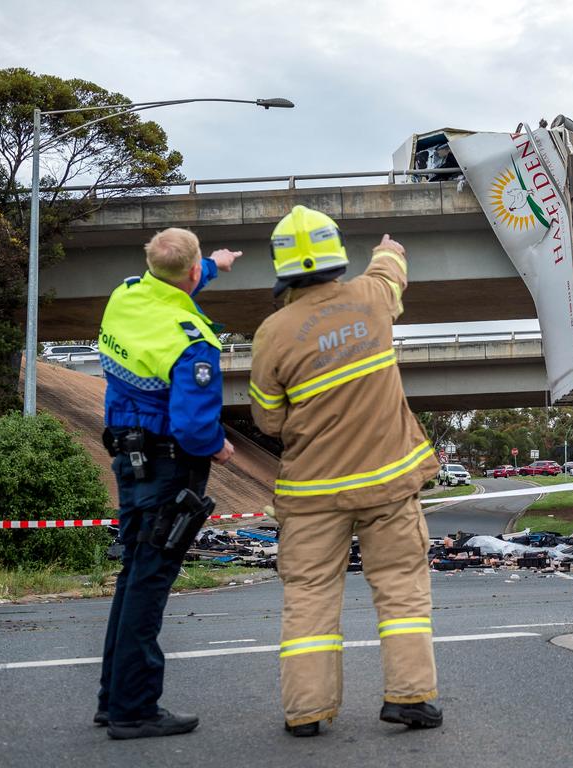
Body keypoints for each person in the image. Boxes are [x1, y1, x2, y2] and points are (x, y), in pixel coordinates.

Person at [249, 205, 441, 738]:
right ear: (336, 255)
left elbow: (267, 417)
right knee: (402, 590)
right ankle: (411, 699)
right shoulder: (371, 298)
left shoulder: (273, 332)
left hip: (312, 494)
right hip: (388, 482)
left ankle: (306, 711)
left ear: (282, 267)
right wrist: (388, 248)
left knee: (309, 596)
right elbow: (388, 271)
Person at [95, 227, 239, 739]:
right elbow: (195, 427)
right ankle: (135, 709)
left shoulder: (127, 296)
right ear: (193, 271)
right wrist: (220, 446)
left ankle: (113, 700)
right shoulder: (192, 344)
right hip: (169, 467)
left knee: (134, 573)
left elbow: (170, 290)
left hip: (130, 461)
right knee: (150, 584)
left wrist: (215, 265)